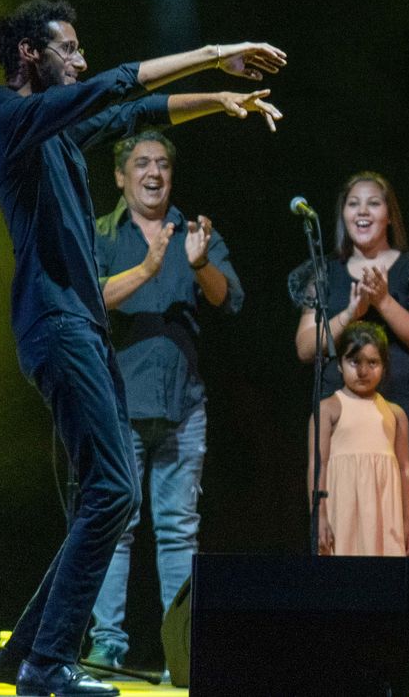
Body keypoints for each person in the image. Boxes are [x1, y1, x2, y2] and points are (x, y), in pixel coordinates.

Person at [0, 0, 286, 697]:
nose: (79, 59)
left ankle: (23, 655)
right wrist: (215, 54)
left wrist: (219, 101)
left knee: (107, 496)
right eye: (68, 48)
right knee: (114, 490)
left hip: (80, 326)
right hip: (56, 323)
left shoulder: (53, 133)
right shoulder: (7, 122)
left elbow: (134, 113)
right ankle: (47, 665)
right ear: (29, 53)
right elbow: (118, 85)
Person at [84, 131, 243, 670]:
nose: (154, 173)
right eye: (142, 164)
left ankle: (183, 649)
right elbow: (87, 297)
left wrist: (199, 265)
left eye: (163, 165)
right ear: (120, 176)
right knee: (114, 526)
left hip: (183, 404)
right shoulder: (100, 233)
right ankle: (107, 644)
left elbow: (228, 298)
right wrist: (147, 270)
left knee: (178, 529)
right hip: (116, 403)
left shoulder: (193, 233)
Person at [290, 172, 409, 584]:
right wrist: (351, 313)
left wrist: (383, 301)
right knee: (339, 508)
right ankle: (344, 610)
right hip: (341, 410)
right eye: (353, 204)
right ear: (343, 215)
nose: (363, 211)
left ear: (389, 215)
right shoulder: (325, 272)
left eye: (373, 203)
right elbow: (306, 346)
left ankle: (403, 615)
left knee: (405, 516)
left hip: (401, 404)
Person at [310, 322, 409, 557]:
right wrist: (319, 515)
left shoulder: (395, 414)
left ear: (384, 366)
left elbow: (405, 468)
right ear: (340, 364)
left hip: (384, 514)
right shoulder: (328, 409)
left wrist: (408, 519)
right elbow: (318, 464)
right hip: (343, 511)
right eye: (354, 362)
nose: (363, 371)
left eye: (372, 363)